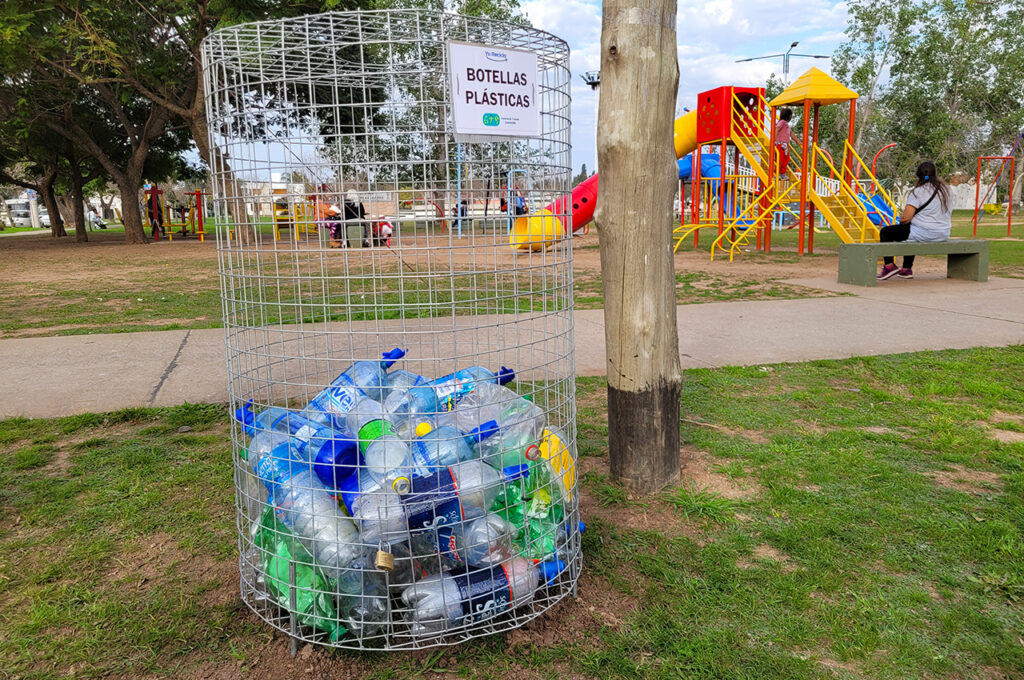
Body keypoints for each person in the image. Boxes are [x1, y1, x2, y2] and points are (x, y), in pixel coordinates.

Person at [877, 161, 952, 280]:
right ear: (935, 174)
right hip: (943, 233)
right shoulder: (947, 191)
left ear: (918, 175)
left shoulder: (918, 192)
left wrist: (902, 220)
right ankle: (906, 269)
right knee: (911, 231)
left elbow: (906, 218)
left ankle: (889, 266)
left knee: (886, 232)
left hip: (924, 233)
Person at [775, 108, 793, 177]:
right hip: (780, 143)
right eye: (790, 116)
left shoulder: (787, 125)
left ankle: (782, 173)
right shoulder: (782, 122)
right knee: (780, 159)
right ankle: (777, 173)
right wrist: (774, 140)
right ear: (787, 116)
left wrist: (798, 141)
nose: (791, 118)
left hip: (786, 145)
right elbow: (777, 129)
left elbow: (791, 134)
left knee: (786, 159)